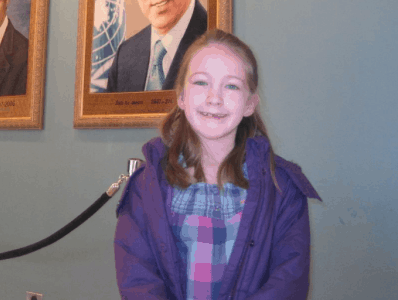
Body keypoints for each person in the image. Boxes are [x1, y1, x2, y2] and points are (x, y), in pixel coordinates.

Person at [114, 29, 322, 300]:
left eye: (232, 85)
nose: (215, 97)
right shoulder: (146, 185)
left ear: (250, 103)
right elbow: (138, 280)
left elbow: (287, 283)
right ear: (181, 96)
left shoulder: (281, 187)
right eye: (201, 82)